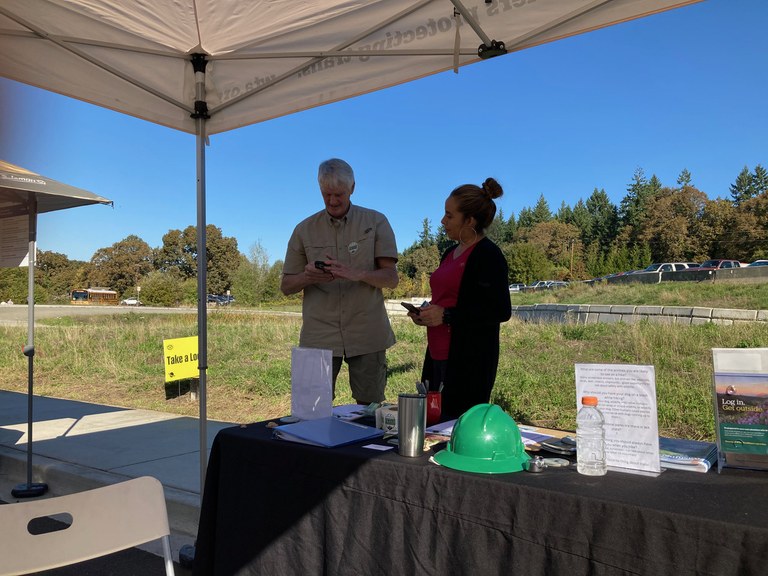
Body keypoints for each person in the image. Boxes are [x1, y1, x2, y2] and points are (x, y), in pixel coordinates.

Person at [280, 158, 399, 405]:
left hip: (368, 332)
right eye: (327, 194)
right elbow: (286, 286)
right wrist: (307, 276)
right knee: (310, 408)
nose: (333, 201)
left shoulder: (376, 222)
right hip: (318, 335)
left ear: (353, 188)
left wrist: (359, 274)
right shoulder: (303, 230)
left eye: (339, 194)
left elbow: (391, 278)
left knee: (370, 409)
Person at [407, 178, 511, 421]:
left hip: (468, 362)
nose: (442, 221)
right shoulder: (448, 254)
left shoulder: (488, 255)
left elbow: (499, 310)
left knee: (458, 427)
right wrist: (426, 314)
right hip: (437, 355)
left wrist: (447, 315)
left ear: (470, 221)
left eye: (449, 215)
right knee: (433, 425)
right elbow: (446, 300)